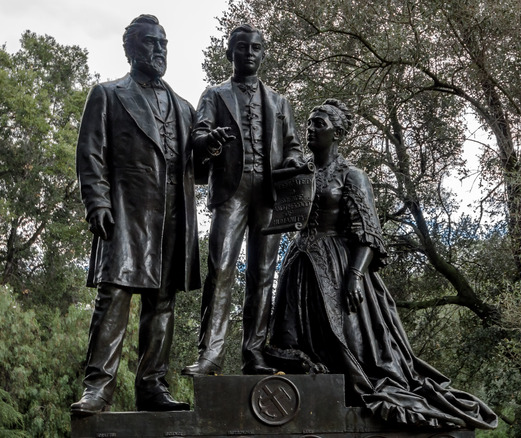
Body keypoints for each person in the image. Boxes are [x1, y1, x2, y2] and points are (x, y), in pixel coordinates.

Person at [267, 99, 498, 429]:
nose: (311, 129)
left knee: (348, 343)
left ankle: (350, 402)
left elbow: (368, 233)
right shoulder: (299, 172)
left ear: (339, 133)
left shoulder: (352, 176)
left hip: (338, 265)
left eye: (320, 124)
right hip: (299, 265)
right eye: (309, 123)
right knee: (294, 343)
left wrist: (355, 275)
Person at [71, 14, 200, 415]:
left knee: (163, 303)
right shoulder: (108, 95)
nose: (158, 50)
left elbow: (202, 172)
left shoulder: (184, 107)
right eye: (149, 43)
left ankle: (152, 386)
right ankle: (98, 388)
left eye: (163, 43)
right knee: (115, 296)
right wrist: (97, 202)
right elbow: (90, 154)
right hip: (127, 211)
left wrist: (209, 149)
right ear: (129, 49)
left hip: (173, 216)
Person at [182, 24, 304, 376]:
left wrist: (295, 160)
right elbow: (198, 137)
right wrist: (211, 141)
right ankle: (211, 355)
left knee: (263, 274)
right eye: (242, 48)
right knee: (220, 270)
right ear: (229, 53)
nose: (249, 54)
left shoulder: (280, 102)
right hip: (231, 191)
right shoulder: (215, 95)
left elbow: (292, 144)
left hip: (268, 194)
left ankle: (254, 353)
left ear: (263, 54)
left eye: (255, 48)